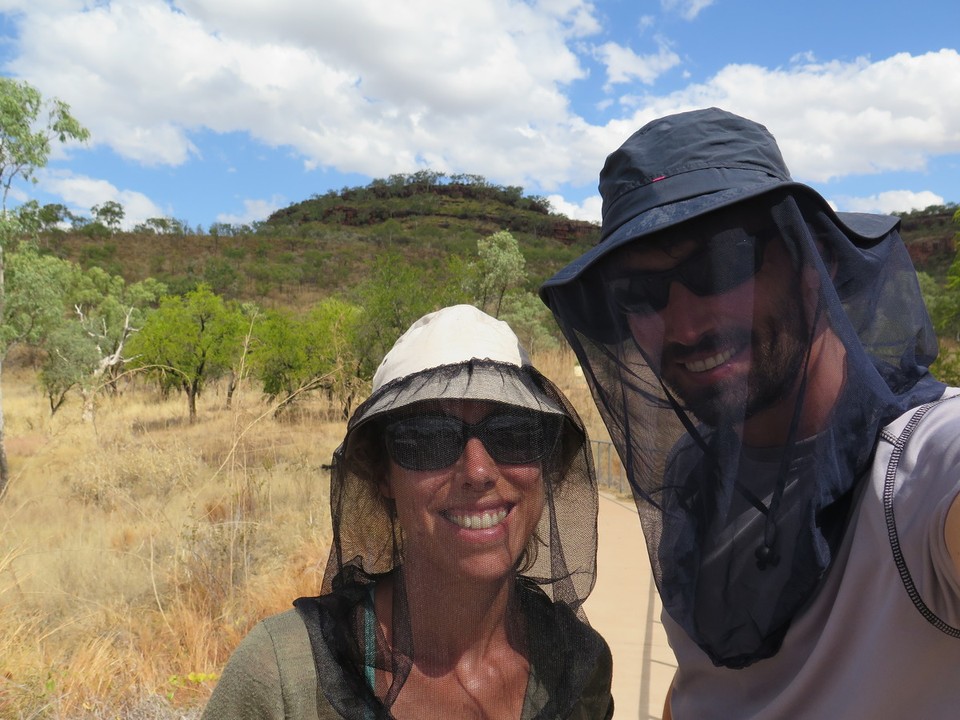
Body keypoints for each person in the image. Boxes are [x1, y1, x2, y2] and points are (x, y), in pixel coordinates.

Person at [539, 107, 960, 718]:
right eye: (641, 293)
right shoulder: (698, 471)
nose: (683, 326)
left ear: (816, 262)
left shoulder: (920, 470)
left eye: (721, 265)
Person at [201, 304, 613, 719]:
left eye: (514, 434)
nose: (478, 471)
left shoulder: (578, 667)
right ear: (383, 473)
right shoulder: (285, 674)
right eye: (429, 439)